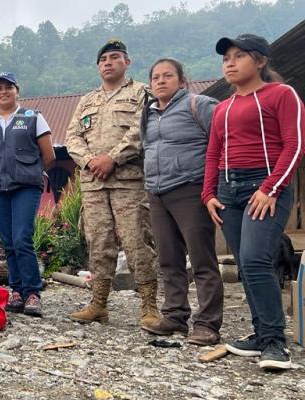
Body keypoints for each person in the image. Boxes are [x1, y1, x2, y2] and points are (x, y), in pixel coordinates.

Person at [203, 34, 304, 371]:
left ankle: (276, 342)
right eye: (226, 58)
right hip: (228, 190)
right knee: (245, 264)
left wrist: (271, 187)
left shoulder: (281, 94)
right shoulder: (223, 108)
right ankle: (261, 334)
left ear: (260, 61)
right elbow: (213, 154)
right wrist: (208, 194)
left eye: (239, 56)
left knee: (255, 258)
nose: (229, 63)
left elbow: (295, 145)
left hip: (264, 185)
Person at [65, 40, 161, 329]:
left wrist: (113, 158)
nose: (108, 62)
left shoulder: (142, 93)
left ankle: (149, 306)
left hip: (128, 182)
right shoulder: (87, 100)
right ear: (98, 66)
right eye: (103, 59)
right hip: (94, 184)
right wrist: (92, 160)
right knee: (99, 243)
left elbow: (141, 131)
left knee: (137, 242)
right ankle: (99, 304)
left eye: (115, 57)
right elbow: (72, 137)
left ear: (127, 62)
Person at [140, 58, 223, 345]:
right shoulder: (148, 113)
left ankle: (208, 324)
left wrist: (214, 187)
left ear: (181, 80)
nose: (161, 81)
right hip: (157, 193)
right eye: (156, 77)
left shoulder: (198, 105)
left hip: (191, 189)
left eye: (168, 76)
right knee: (169, 259)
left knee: (201, 259)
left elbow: (223, 140)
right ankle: (175, 317)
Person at [0, 72, 55, 317]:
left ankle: (32, 293)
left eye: (8, 87)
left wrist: (31, 173)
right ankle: (16, 292)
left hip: (25, 188)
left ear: (17, 90)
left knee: (22, 239)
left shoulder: (33, 117)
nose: (3, 91)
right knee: (8, 243)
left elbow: (49, 156)